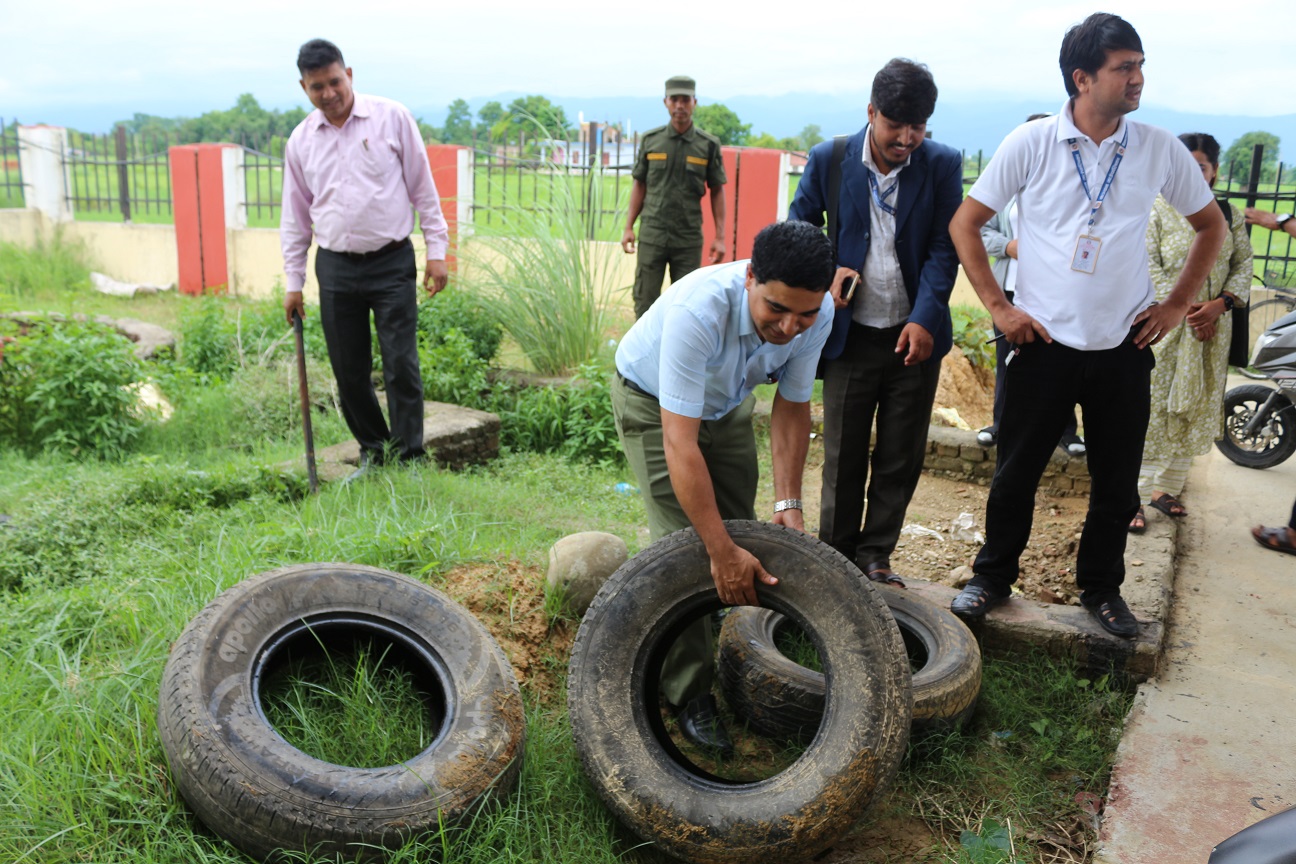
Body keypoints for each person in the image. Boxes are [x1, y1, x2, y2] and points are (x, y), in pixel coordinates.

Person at [946, 13, 1226, 639]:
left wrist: (1177, 303)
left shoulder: (1157, 147)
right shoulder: (1033, 142)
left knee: (1118, 479)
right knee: (1015, 471)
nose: (1138, 78)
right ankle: (991, 578)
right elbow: (966, 223)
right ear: (1082, 78)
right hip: (1041, 342)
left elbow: (1212, 226)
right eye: (1124, 67)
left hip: (1124, 345)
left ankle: (1101, 590)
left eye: (1140, 65)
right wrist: (1000, 308)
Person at [612, 219, 834, 752]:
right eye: (775, 309)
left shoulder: (816, 313)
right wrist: (716, 548)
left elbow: (793, 405)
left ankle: (727, 638)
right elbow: (679, 444)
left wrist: (789, 503)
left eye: (803, 313)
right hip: (652, 404)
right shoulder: (699, 310)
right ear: (750, 278)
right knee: (690, 545)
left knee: (742, 531)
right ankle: (687, 692)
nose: (789, 327)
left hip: (728, 404)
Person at [786, 58, 962, 586]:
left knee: (900, 453)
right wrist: (826, 268)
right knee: (842, 453)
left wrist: (927, 317)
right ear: (871, 112)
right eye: (895, 126)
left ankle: (876, 555)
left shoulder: (942, 163)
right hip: (850, 336)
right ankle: (835, 559)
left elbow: (943, 247)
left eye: (918, 127)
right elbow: (800, 227)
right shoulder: (831, 158)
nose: (907, 138)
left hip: (914, 337)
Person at [280, 38, 449, 480]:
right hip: (335, 267)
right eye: (317, 87)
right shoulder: (301, 141)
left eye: (335, 82)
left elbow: (422, 188)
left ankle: (410, 457)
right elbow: (295, 218)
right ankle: (375, 452)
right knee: (348, 370)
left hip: (392, 261)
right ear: (304, 87)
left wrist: (437, 251)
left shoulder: (392, 117)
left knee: (400, 363)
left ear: (348, 74)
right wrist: (293, 282)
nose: (329, 93)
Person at [1129, 133, 1252, 532]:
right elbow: (1147, 265)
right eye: (1186, 164)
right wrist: (1182, 309)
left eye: (1201, 166)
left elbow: (1242, 263)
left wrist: (1220, 305)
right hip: (1165, 327)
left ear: (1213, 172)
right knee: (1152, 409)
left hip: (1213, 331)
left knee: (1195, 408)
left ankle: (1166, 488)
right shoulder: (1156, 210)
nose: (1193, 172)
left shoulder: (1229, 215)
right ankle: (1132, 496)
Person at [978, 113, 1085, 457]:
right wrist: (1010, 247)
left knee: (1062, 359)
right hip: (1010, 287)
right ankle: (1001, 424)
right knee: (1008, 358)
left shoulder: (1075, 189)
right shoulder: (1004, 188)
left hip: (1057, 290)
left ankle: (1066, 431)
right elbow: (979, 231)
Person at [621, 76, 727, 319]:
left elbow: (717, 189)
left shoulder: (707, 145)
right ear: (665, 102)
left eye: (685, 100)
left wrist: (720, 236)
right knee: (645, 301)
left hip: (687, 237)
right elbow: (640, 183)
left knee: (686, 304)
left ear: (694, 102)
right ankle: (646, 357)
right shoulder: (651, 140)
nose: (680, 105)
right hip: (653, 235)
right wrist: (628, 227)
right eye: (675, 99)